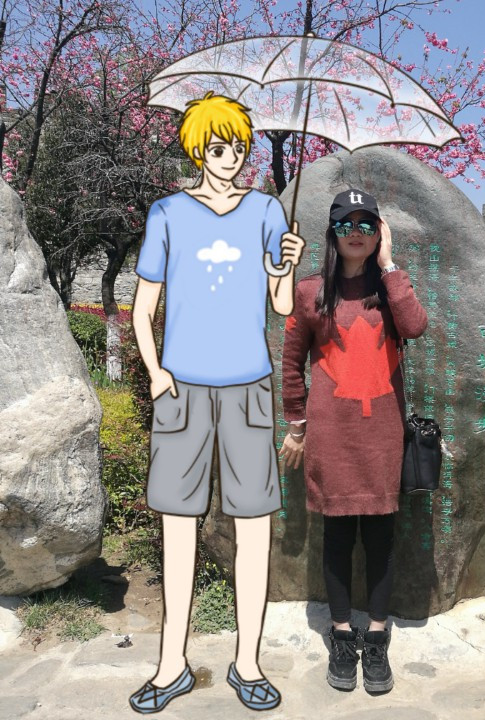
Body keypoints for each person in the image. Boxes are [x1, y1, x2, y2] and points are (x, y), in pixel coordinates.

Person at [129, 92, 304, 714]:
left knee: (254, 526)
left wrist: (286, 265)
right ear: (199, 150)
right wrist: (156, 373)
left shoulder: (266, 211)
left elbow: (282, 307)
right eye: (219, 146)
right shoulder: (168, 214)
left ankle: (247, 663)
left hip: (248, 387)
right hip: (182, 390)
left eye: (239, 147)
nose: (231, 157)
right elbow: (143, 308)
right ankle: (170, 665)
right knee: (177, 526)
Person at [280, 189, 428, 694]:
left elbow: (416, 327)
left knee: (382, 539)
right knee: (338, 538)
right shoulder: (310, 292)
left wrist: (389, 266)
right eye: (347, 224)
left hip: (383, 433)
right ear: (333, 233)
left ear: (379, 232)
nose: (357, 233)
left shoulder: (391, 288)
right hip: (332, 434)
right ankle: (343, 635)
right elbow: (292, 364)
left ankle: (378, 636)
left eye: (368, 224)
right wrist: (296, 425)